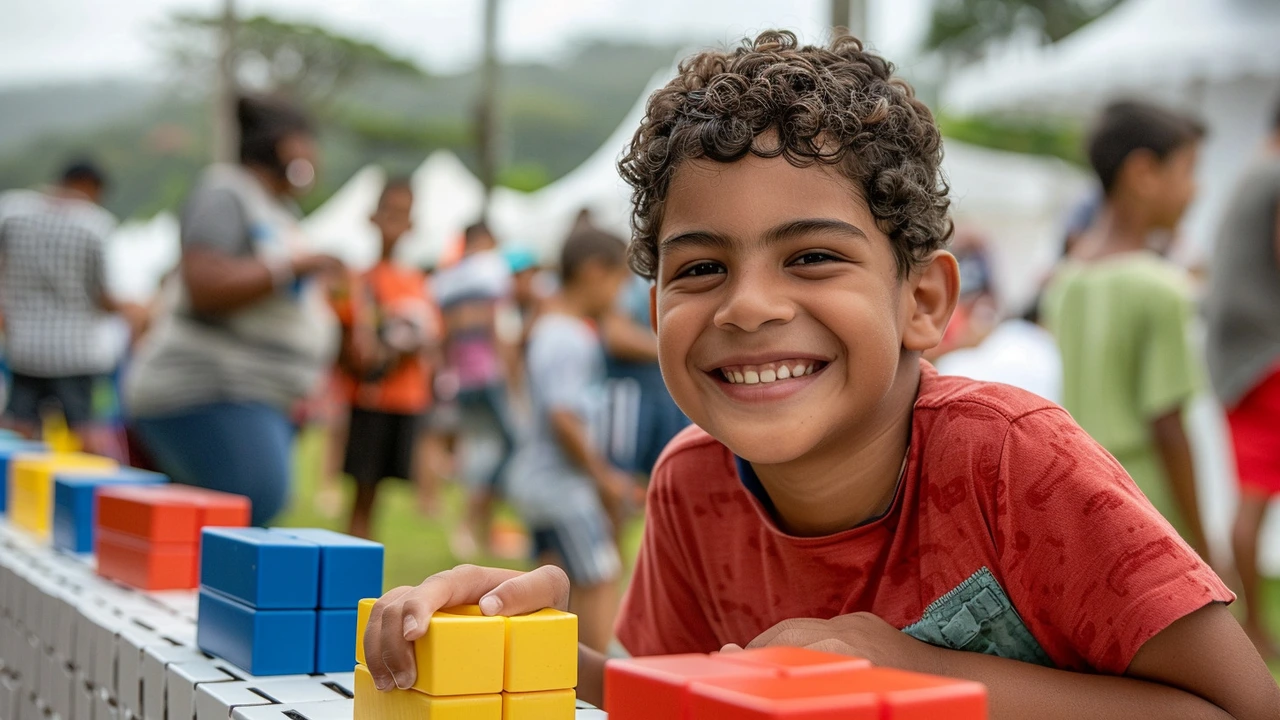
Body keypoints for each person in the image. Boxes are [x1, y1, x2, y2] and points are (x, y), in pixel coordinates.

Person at [362, 33, 1279, 717]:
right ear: (654, 313)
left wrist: (916, 673)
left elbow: (1244, 709)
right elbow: (678, 706)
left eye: (810, 257)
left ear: (923, 301)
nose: (747, 307)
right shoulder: (691, 482)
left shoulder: (1013, 463)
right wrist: (542, 654)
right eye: (700, 268)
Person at [125, 96, 343, 527]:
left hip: (255, 392)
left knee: (229, 520)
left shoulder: (278, 208)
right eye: (308, 144)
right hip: (208, 387)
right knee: (252, 502)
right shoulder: (225, 191)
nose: (315, 157)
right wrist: (293, 266)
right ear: (286, 148)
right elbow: (204, 283)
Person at [1041, 101, 1211, 558]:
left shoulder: (1066, 279)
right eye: (1188, 170)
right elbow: (1168, 427)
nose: (1196, 189)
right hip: (1150, 502)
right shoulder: (1161, 288)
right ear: (1143, 173)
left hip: (1088, 499)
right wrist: (1204, 543)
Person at [504, 227, 640, 652]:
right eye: (620, 280)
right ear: (593, 272)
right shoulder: (568, 336)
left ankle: (548, 671)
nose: (620, 294)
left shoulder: (550, 328)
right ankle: (597, 689)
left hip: (537, 481)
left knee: (552, 579)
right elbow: (563, 417)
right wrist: (602, 476)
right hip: (560, 485)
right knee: (599, 574)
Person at [0, 160, 145, 456]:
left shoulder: (12, 212)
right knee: (86, 433)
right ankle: (93, 498)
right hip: (75, 352)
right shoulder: (94, 223)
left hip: (24, 346)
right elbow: (102, 294)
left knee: (17, 431)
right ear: (90, 186)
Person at [1204, 100, 1280, 660]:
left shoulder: (1246, 177)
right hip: (1269, 355)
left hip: (1233, 362)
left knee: (1247, 499)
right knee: (1252, 503)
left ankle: (1251, 626)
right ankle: (1253, 626)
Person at [335, 178, 439, 539]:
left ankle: (362, 556)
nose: (395, 223)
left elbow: (429, 338)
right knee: (363, 492)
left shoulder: (417, 282)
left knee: (379, 493)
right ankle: (355, 557)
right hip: (370, 397)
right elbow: (348, 348)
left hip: (404, 400)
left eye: (402, 214)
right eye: (389, 212)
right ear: (372, 217)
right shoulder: (357, 281)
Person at [432, 222, 518, 558]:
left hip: (462, 376)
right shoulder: (489, 272)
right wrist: (510, 376)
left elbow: (447, 333)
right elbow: (498, 327)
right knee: (502, 447)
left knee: (479, 449)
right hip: (488, 375)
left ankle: (477, 529)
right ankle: (471, 525)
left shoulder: (450, 280)